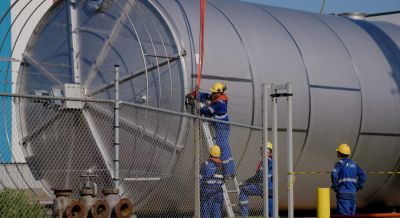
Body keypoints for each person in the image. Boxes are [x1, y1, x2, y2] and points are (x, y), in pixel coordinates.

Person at [187, 82, 235, 177]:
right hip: (221, 126)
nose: (212, 94)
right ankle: (229, 170)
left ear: (219, 92)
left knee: (222, 147)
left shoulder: (220, 103)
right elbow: (207, 96)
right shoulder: (218, 97)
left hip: (222, 127)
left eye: (214, 92)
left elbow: (208, 111)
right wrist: (196, 94)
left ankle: (228, 171)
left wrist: (197, 107)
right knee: (224, 146)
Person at [239, 142, 273, 217]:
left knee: (244, 190)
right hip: (271, 189)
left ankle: (244, 215)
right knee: (271, 210)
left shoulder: (265, 161)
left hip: (263, 187)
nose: (260, 151)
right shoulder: (272, 161)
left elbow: (259, 177)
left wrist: (246, 182)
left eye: (262, 149)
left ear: (267, 150)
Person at [331, 143, 367, 215]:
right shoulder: (354, 164)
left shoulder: (339, 164)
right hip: (352, 194)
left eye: (337, 152)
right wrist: (358, 186)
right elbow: (363, 175)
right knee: (352, 215)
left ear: (340, 153)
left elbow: (334, 175)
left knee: (344, 215)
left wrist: (336, 186)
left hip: (343, 194)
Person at [200, 145, 224, 218]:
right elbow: (223, 180)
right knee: (216, 212)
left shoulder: (206, 164)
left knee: (205, 211)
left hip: (207, 192)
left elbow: (200, 178)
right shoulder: (222, 166)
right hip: (218, 192)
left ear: (210, 153)